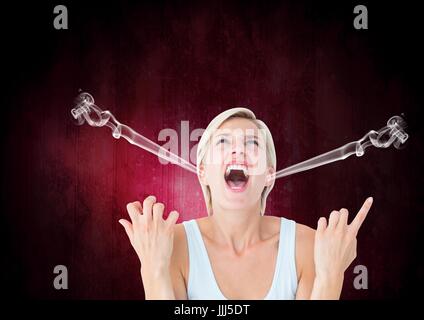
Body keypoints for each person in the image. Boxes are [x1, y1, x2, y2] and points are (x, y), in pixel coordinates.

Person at [119, 108, 373, 299]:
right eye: (223, 142)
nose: (238, 151)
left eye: (252, 143)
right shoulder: (170, 244)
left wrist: (331, 275)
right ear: (203, 171)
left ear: (269, 175)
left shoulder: (306, 246)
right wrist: (153, 267)